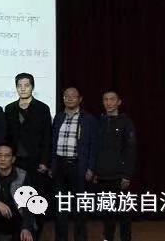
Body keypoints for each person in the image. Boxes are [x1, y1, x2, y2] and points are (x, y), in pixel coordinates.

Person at [3, 73, 51, 241]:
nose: (23, 88)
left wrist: (45, 161)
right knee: (17, 199)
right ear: (16, 88)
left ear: (32, 87)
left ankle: (36, 235)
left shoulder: (42, 108)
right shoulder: (9, 108)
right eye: (20, 85)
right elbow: (7, 137)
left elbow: (47, 137)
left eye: (27, 85)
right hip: (16, 162)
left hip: (36, 163)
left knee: (37, 200)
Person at [51, 87, 98, 241]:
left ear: (80, 99)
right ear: (63, 98)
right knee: (61, 207)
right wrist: (52, 165)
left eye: (73, 96)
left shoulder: (88, 119)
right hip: (60, 166)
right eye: (67, 96)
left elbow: (94, 145)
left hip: (78, 166)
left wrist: (90, 168)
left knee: (80, 207)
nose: (70, 99)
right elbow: (53, 143)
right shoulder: (58, 117)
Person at [93, 91, 136, 241]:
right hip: (103, 176)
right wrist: (96, 171)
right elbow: (96, 148)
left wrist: (127, 175)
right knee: (107, 214)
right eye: (105, 99)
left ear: (119, 102)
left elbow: (131, 150)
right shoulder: (99, 122)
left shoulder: (126, 123)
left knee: (124, 213)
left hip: (120, 176)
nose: (109, 102)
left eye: (112, 99)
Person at [0, 144, 35, 241]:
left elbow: (29, 204)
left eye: (7, 156)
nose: (2, 159)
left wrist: (26, 227)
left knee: (26, 234)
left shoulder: (22, 176)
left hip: (17, 216)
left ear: (13, 159)